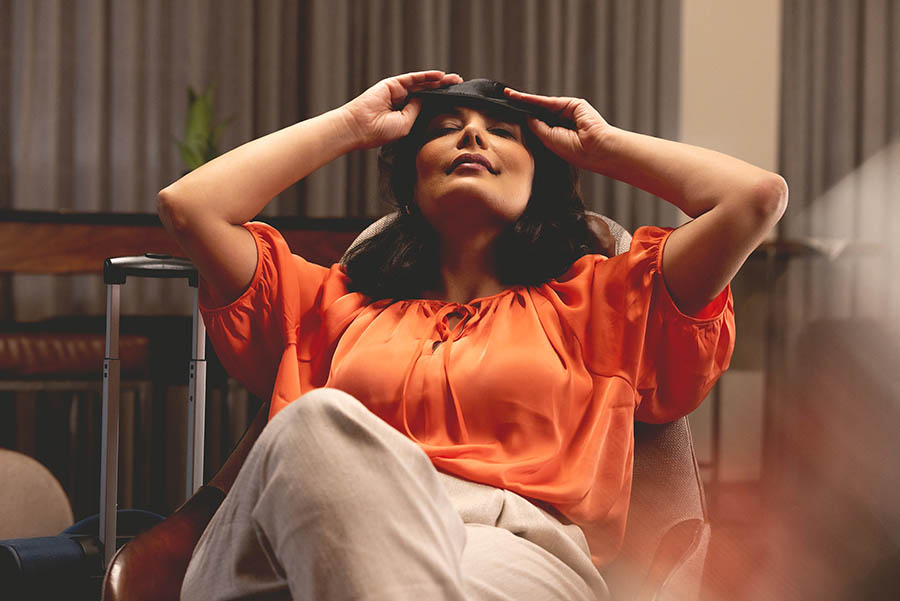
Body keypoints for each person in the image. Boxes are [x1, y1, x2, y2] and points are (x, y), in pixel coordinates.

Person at [159, 70, 787, 601]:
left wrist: (601, 146)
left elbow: (753, 198)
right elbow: (191, 207)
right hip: (298, 541)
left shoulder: (602, 302)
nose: (471, 135)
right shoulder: (330, 304)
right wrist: (352, 124)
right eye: (443, 128)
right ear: (411, 177)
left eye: (502, 131)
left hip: (504, 552)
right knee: (313, 426)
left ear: (540, 173)